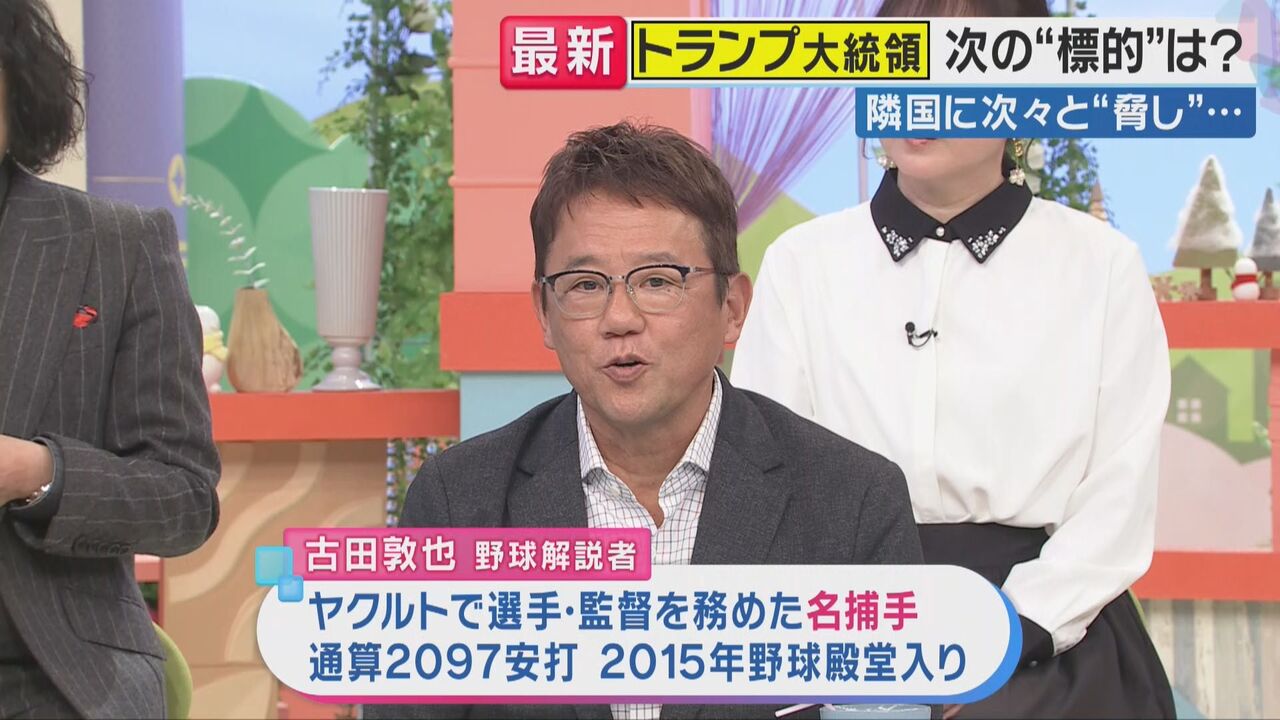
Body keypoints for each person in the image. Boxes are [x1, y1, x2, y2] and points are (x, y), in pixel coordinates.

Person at [366, 121, 922, 720]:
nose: (619, 319)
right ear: (545, 314)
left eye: (658, 281)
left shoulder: (854, 502)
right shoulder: (457, 503)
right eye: (584, 285)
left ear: (733, 308)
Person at [731, 1, 1176, 717]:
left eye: (953, 66)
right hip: (850, 627)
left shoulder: (1101, 264)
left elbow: (1117, 497)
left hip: (1048, 637)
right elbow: (769, 476)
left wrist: (1005, 635)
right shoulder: (802, 263)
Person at [0, 2, 221, 717]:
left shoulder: (117, 247)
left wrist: (35, 473)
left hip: (49, 678)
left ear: (16, 87)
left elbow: (185, 500)